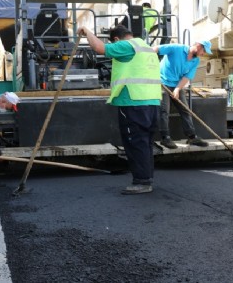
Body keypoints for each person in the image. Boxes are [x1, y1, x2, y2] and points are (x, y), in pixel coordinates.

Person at [77, 25, 161, 195]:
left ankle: (142, 182)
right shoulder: (145, 47)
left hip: (133, 102)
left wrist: (86, 31)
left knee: (135, 142)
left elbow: (100, 48)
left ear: (116, 39)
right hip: (152, 102)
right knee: (145, 143)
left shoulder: (126, 46)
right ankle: (146, 178)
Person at [154, 41, 212, 149]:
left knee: (185, 109)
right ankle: (165, 138)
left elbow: (187, 77)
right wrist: (145, 58)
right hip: (161, 83)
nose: (203, 54)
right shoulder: (177, 48)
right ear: (198, 46)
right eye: (204, 51)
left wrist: (177, 89)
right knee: (163, 110)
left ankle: (191, 137)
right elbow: (156, 48)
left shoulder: (196, 61)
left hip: (176, 84)